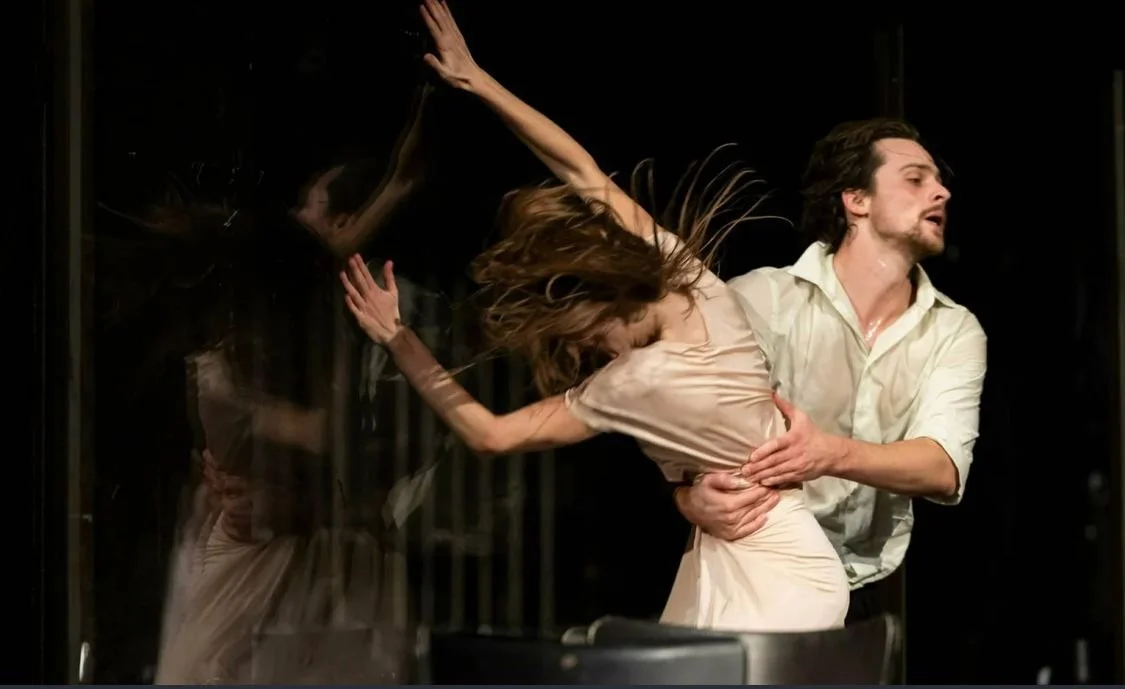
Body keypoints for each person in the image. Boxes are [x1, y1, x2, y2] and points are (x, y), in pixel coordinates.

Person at [338, 0, 850, 632]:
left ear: (591, 308)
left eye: (574, 334)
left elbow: (491, 435)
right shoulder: (693, 285)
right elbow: (579, 170)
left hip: (774, 574)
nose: (580, 351)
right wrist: (479, 81)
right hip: (739, 552)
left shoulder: (632, 383)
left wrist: (398, 338)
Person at [673, 118, 988, 624]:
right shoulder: (762, 300)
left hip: (865, 587)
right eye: (916, 179)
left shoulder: (953, 329)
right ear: (856, 201)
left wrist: (827, 454)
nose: (942, 192)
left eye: (939, 180)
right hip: (753, 572)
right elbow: (683, 428)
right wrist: (688, 496)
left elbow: (942, 467)